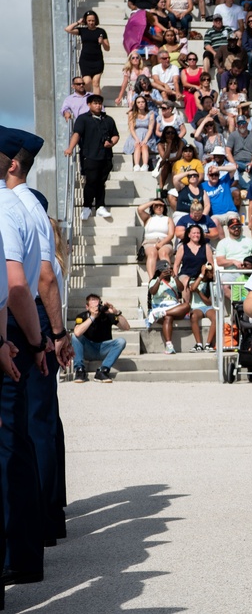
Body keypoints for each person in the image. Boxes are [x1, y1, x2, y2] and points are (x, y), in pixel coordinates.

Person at [4, 131, 73, 549]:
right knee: (39, 423)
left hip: (23, 321)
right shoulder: (32, 205)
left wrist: (55, 334)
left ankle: (39, 519)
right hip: (35, 320)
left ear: (12, 163)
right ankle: (47, 516)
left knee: (26, 427)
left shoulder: (18, 207)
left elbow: (41, 279)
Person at [64, 94, 119, 220]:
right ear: (89, 104)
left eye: (100, 103)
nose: (98, 105)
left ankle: (100, 206)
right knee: (91, 181)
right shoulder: (83, 119)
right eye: (95, 103)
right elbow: (77, 134)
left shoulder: (108, 119)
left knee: (101, 182)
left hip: (105, 156)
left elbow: (115, 135)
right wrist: (70, 148)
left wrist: (111, 143)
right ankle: (87, 206)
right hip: (90, 155)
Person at [72, 294, 129, 381]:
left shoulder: (107, 315)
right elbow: (77, 332)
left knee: (121, 341)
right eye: (93, 307)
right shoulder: (82, 316)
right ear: (87, 307)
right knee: (75, 337)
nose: (96, 309)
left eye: (97, 306)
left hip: (103, 349)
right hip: (88, 350)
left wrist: (116, 312)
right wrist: (92, 317)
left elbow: (126, 327)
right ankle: (79, 370)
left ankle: (103, 370)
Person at [146, 261, 190, 355]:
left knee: (187, 306)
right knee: (168, 317)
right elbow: (153, 292)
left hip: (174, 307)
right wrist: (160, 279)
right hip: (159, 307)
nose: (167, 272)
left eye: (168, 270)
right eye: (164, 271)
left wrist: (175, 277)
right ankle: (169, 346)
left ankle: (164, 313)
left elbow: (181, 289)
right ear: (159, 271)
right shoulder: (154, 281)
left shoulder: (173, 279)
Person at [64, 11, 110, 96]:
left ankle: (96, 101)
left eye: (93, 20)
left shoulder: (101, 31)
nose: (91, 22)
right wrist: (78, 22)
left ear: (96, 20)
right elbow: (67, 29)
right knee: (87, 82)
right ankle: (88, 100)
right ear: (86, 21)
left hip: (97, 60)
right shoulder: (82, 30)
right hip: (85, 60)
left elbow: (107, 48)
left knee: (96, 82)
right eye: (89, 21)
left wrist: (102, 42)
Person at [137, 198, 175, 281]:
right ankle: (152, 280)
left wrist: (161, 243)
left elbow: (171, 234)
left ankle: (167, 278)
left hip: (165, 241)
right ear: (152, 207)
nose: (159, 207)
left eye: (161, 205)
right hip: (149, 241)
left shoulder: (168, 219)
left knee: (163, 253)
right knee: (152, 253)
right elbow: (140, 209)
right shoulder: (148, 218)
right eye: (156, 206)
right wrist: (153, 202)